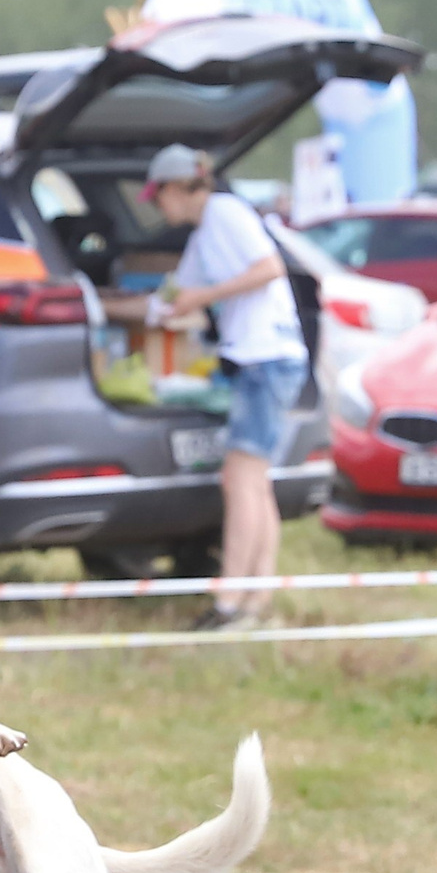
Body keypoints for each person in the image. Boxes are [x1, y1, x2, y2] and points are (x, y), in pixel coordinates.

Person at [141, 144, 307, 629]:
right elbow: (169, 299)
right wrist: (104, 305)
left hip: (268, 359)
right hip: (257, 361)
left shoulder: (227, 212)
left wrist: (205, 297)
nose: (157, 207)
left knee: (239, 479)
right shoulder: (202, 237)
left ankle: (228, 603)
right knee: (256, 486)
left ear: (178, 187)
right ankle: (257, 600)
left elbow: (269, 268)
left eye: (159, 197)